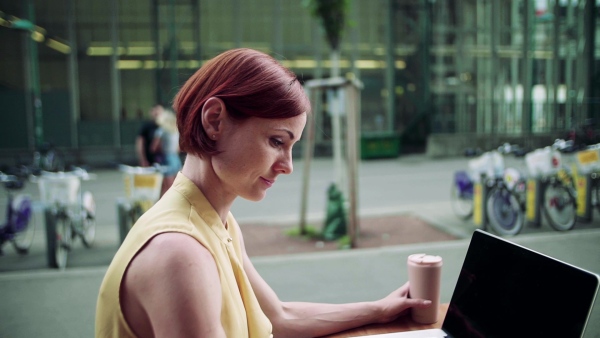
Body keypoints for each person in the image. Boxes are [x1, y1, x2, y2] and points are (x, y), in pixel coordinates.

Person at [96, 48, 431, 338]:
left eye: (291, 147)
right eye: (276, 141)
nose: (287, 166)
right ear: (215, 121)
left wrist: (380, 309)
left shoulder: (214, 221)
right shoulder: (180, 252)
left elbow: (278, 317)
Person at [151, 108, 182, 196]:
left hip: (166, 158)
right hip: (176, 158)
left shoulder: (161, 131)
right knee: (176, 186)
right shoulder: (176, 131)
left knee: (166, 187)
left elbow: (154, 147)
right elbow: (178, 148)